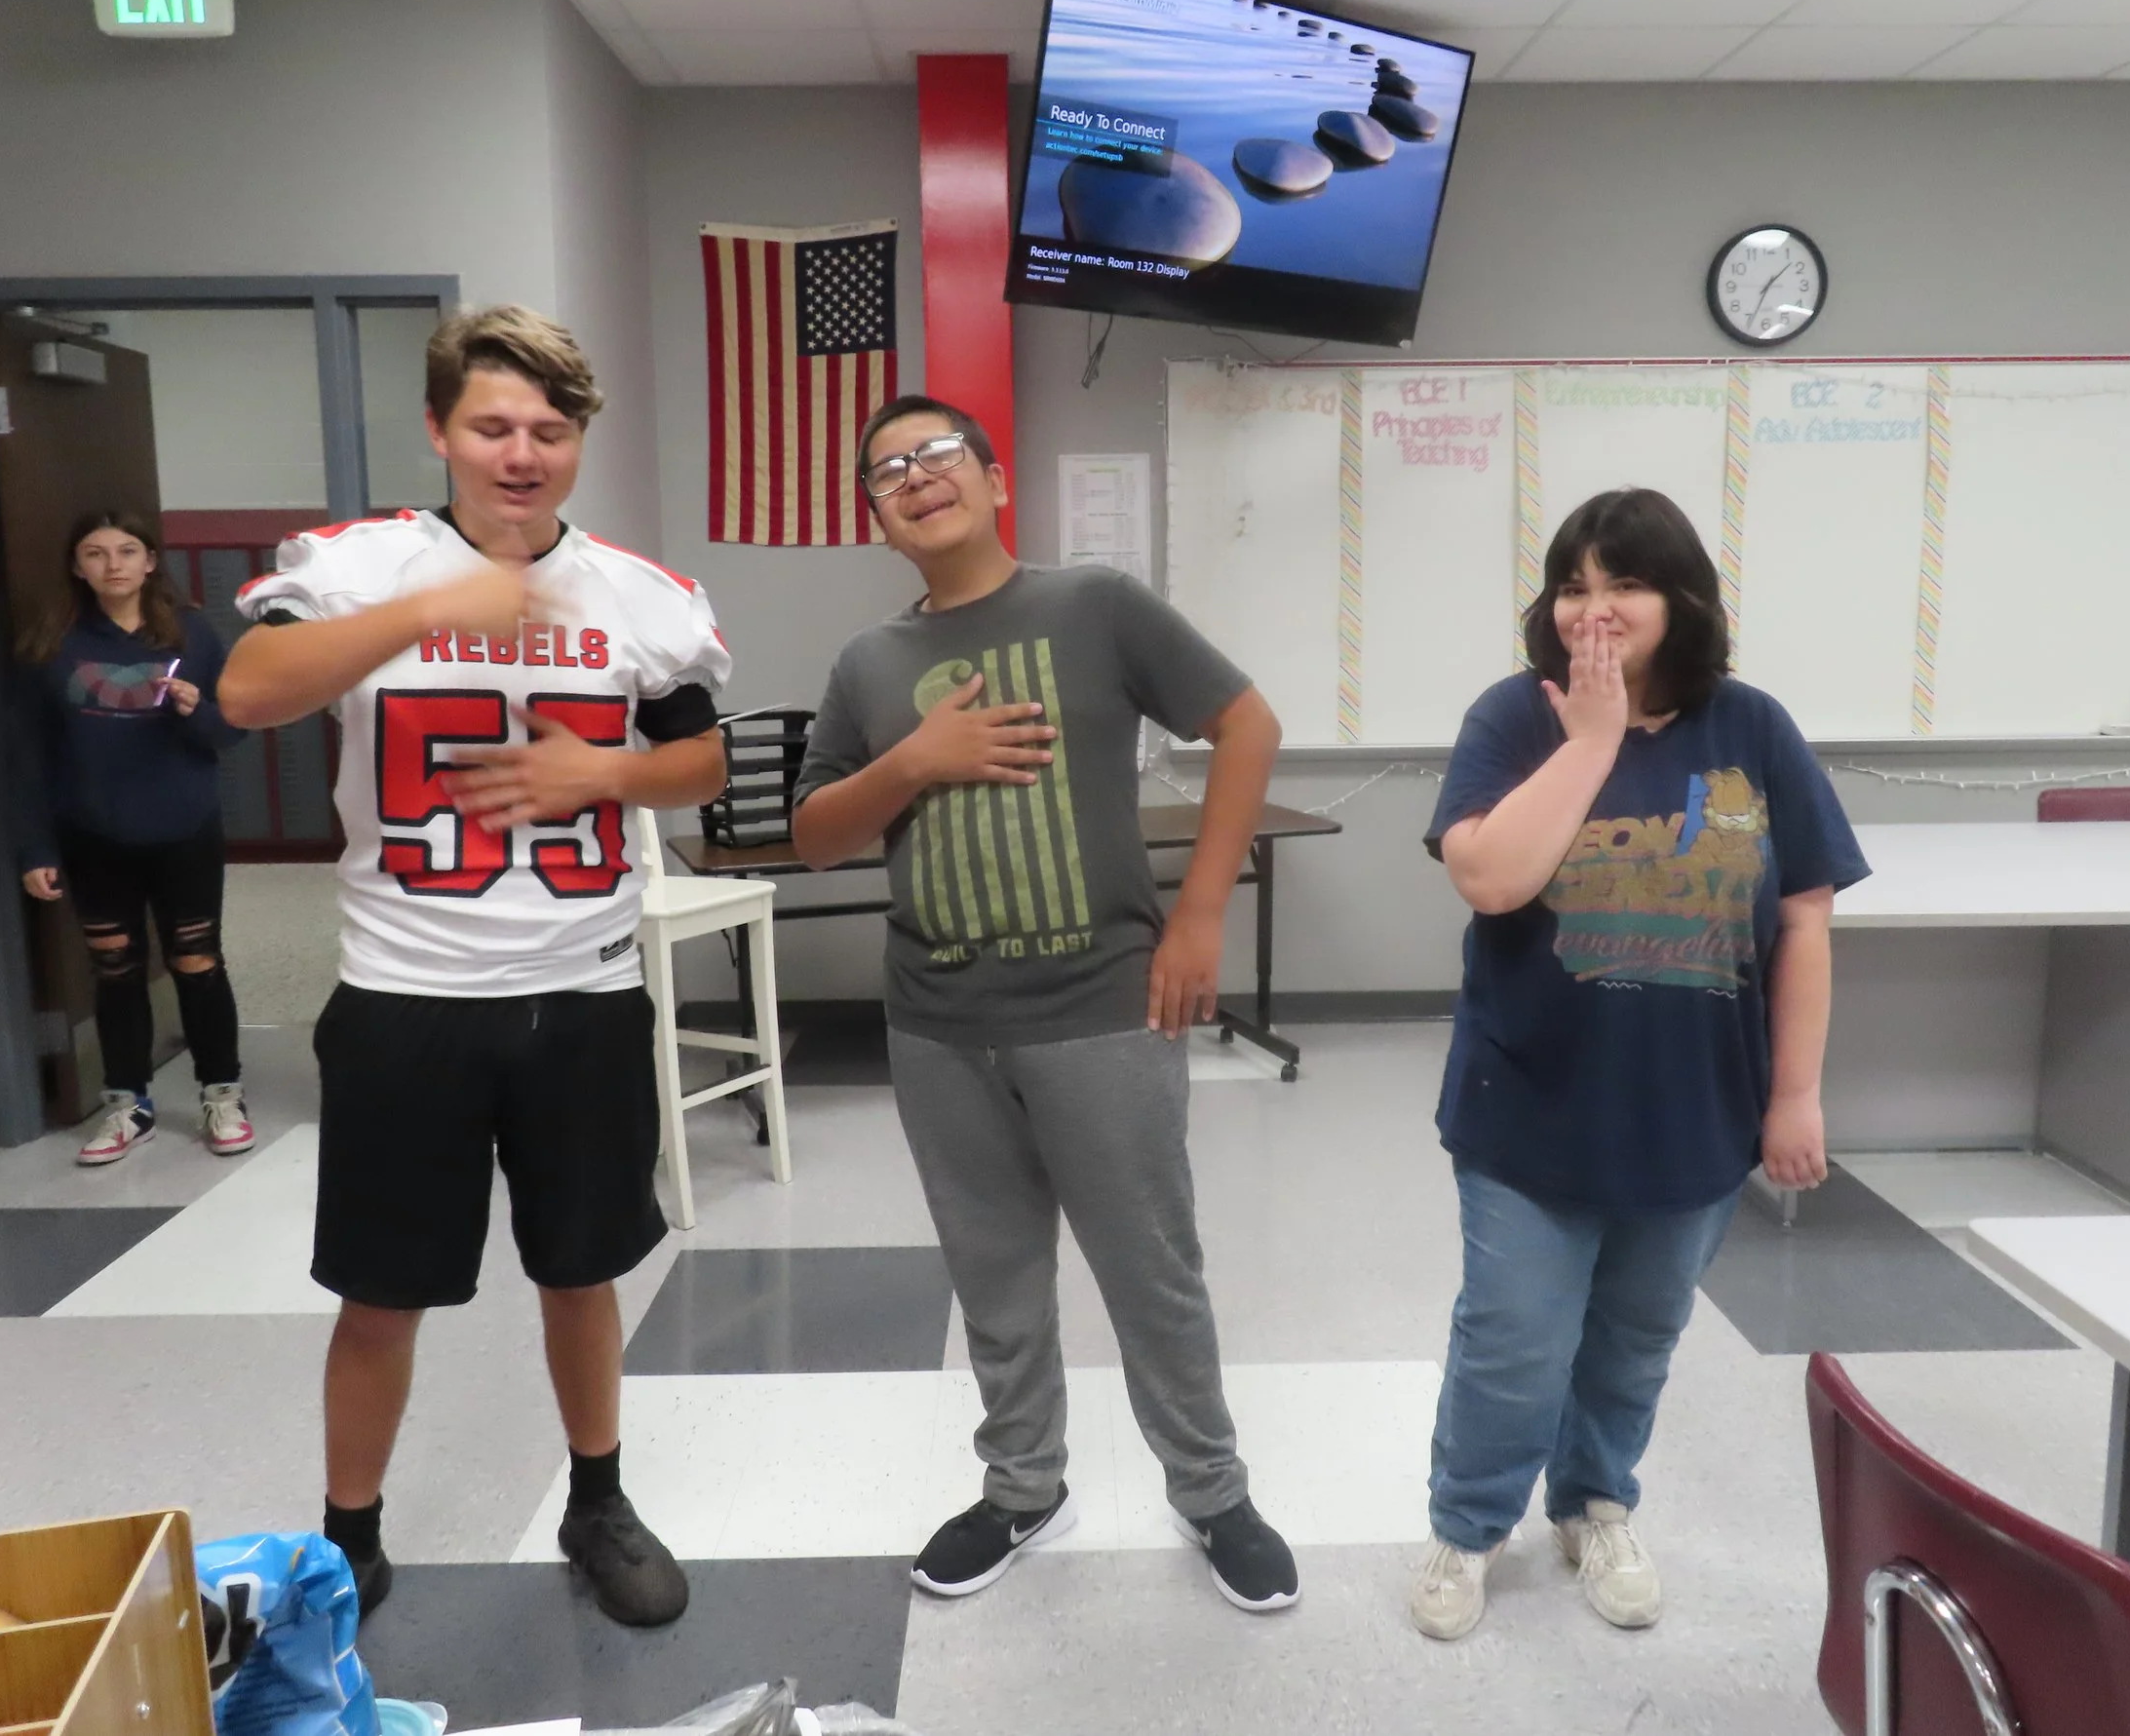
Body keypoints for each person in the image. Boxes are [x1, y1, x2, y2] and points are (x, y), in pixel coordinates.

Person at [217, 306, 731, 1628]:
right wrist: (436, 606)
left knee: (581, 1268)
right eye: (493, 425)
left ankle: (597, 1496)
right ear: (440, 430)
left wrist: (600, 772)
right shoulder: (360, 566)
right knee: (381, 1292)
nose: (521, 453)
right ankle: (348, 1534)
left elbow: (700, 761)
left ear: (579, 443)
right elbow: (249, 691)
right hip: (407, 991)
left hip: (582, 986)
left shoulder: (638, 594)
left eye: (549, 430)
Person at [791, 394, 1300, 1613]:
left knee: (1149, 1268)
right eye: (886, 472)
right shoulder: (868, 664)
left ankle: (1211, 1491)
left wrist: (1199, 914)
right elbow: (813, 835)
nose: (915, 476)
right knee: (994, 1274)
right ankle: (1022, 1486)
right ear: (876, 519)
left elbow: (1247, 723)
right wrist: (914, 761)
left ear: (993, 478)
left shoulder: (1095, 605)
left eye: (936, 454)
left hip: (1100, 1010)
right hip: (937, 1024)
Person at [1408, 486, 1868, 1641]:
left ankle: (1595, 1505)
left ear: (1681, 600)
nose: (1594, 610)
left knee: (1633, 1339)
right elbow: (1490, 879)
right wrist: (1594, 741)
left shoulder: (1750, 728)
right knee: (1513, 1342)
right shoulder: (1515, 717)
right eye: (1574, 586)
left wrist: (1795, 1095)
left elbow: (1803, 921)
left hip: (1694, 1112)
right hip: (1528, 1105)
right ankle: (1467, 1528)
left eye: (1625, 584)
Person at [13, 509, 254, 1167]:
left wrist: (194, 711)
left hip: (184, 827)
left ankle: (223, 1093)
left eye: (126, 551)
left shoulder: (193, 634)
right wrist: (36, 847)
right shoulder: (52, 644)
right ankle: (128, 1105)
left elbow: (232, 729)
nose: (112, 564)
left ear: (150, 562)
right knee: (115, 967)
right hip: (93, 832)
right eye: (95, 553)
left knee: (197, 961)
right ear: (77, 565)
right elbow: (28, 754)